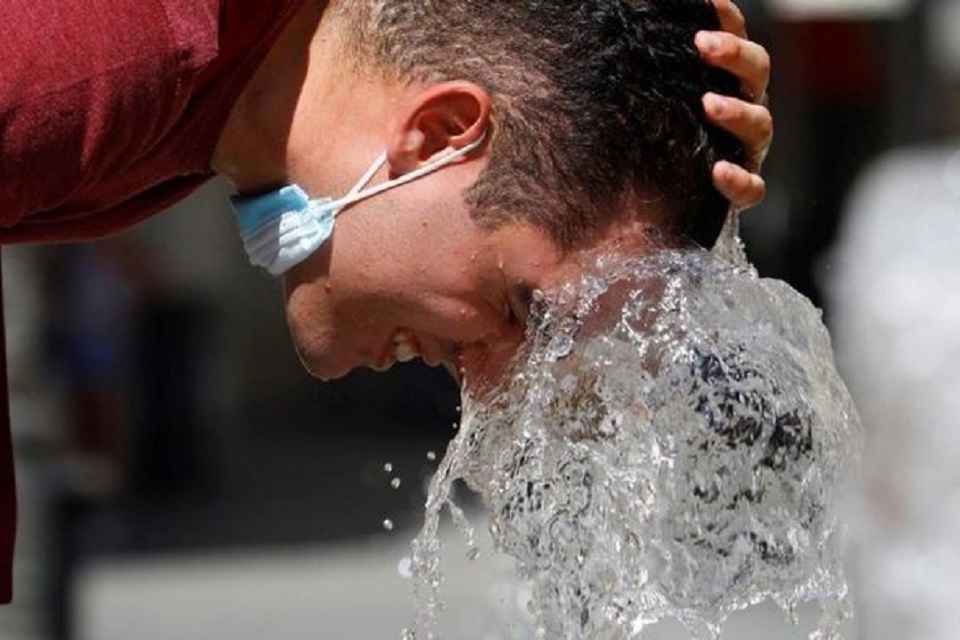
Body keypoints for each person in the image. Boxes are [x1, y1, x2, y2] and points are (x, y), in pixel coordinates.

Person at [0, 0, 772, 603]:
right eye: (515, 311)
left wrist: (663, 108)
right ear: (439, 134)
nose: (488, 386)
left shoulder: (198, 76)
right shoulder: (102, 55)